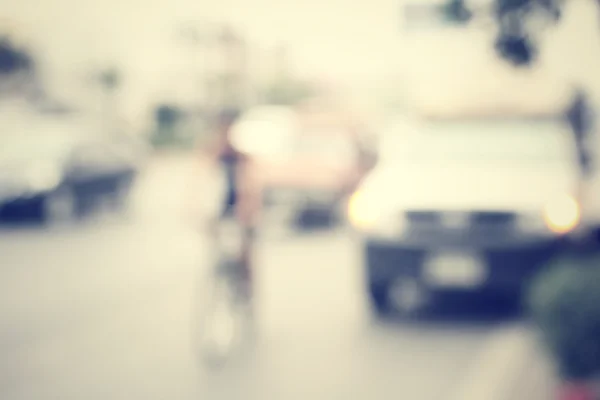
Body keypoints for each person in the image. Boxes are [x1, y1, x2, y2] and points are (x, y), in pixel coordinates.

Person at [206, 107, 259, 300]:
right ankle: (223, 273)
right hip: (220, 209)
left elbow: (251, 184)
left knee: (244, 247)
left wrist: (249, 209)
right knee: (217, 243)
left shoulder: (241, 155)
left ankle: (245, 285)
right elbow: (199, 184)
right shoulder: (211, 154)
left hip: (240, 207)